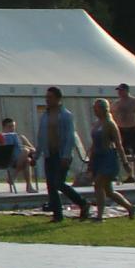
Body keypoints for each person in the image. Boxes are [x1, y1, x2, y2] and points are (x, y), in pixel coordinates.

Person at [36, 87, 91, 222]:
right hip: (49, 153)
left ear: (58, 99)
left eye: (50, 97)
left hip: (61, 155)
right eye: (46, 97)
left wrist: (66, 155)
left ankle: (83, 203)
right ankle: (57, 215)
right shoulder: (45, 116)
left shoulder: (66, 115)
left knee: (58, 183)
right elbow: (41, 137)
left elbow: (70, 137)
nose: (47, 100)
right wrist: (36, 155)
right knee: (51, 185)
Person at [86, 100, 135, 220]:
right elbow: (94, 143)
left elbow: (118, 144)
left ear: (103, 109)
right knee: (109, 191)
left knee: (98, 184)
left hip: (108, 158)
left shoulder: (110, 124)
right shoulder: (96, 124)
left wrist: (125, 162)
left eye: (96, 108)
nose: (94, 110)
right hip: (97, 158)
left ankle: (99, 216)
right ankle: (130, 207)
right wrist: (90, 160)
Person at [0, 118, 37, 193]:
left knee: (26, 155)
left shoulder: (20, 137)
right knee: (27, 159)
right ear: (4, 127)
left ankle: (17, 178)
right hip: (5, 160)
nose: (12, 128)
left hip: (17, 161)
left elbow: (34, 149)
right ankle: (16, 178)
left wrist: (24, 146)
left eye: (13, 126)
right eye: (9, 126)